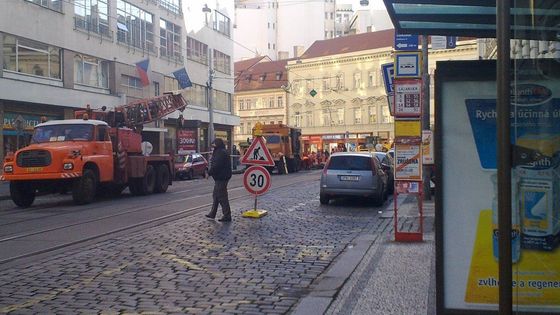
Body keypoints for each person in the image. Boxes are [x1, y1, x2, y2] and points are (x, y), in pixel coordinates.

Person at [205, 138, 232, 222]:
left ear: (217, 145)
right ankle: (213, 213)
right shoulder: (220, 151)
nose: (213, 147)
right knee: (216, 195)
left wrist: (209, 173)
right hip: (221, 177)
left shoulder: (220, 153)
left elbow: (217, 165)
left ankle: (227, 215)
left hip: (222, 177)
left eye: (214, 145)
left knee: (222, 196)